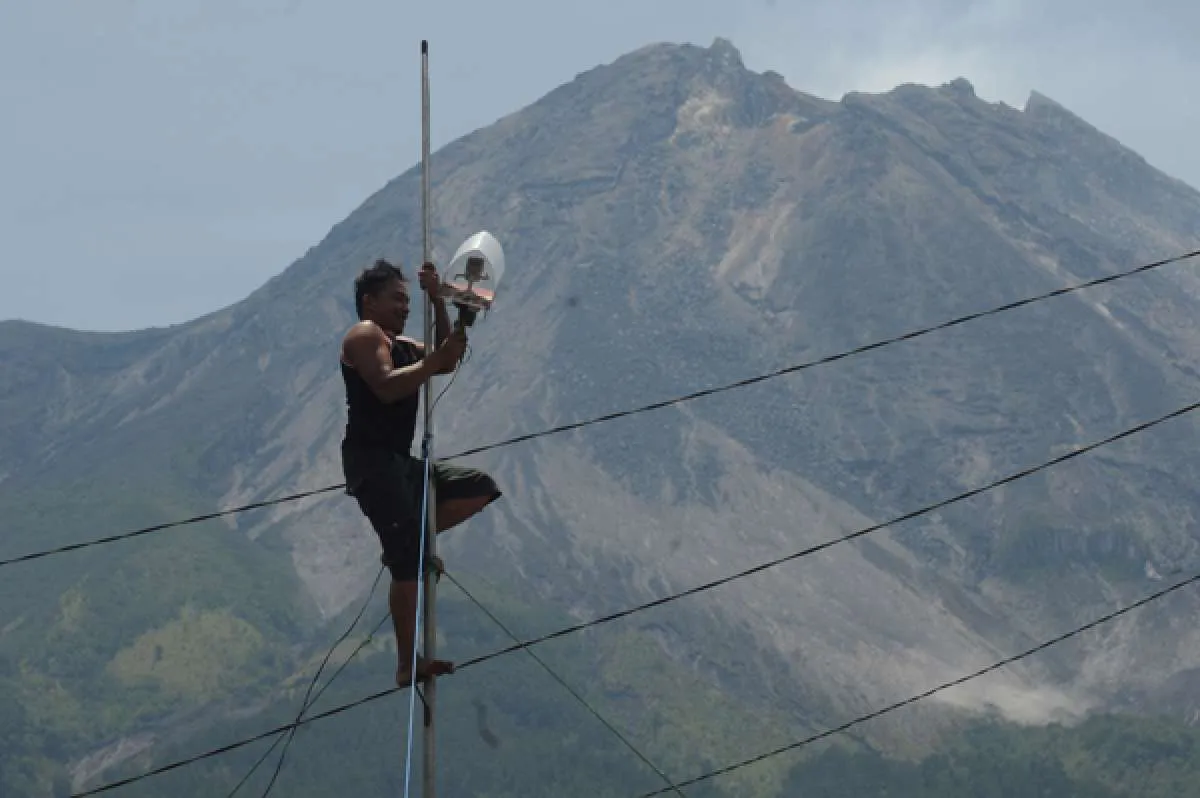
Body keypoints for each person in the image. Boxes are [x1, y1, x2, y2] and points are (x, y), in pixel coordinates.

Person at [339, 257, 502, 688]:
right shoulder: (363, 335)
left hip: (401, 462)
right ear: (369, 302)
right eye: (397, 299)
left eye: (408, 301)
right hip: (372, 461)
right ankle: (406, 663)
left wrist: (440, 302)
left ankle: (411, 541)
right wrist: (432, 362)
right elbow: (386, 386)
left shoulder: (403, 343)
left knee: (479, 488)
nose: (404, 307)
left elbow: (446, 360)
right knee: (408, 560)